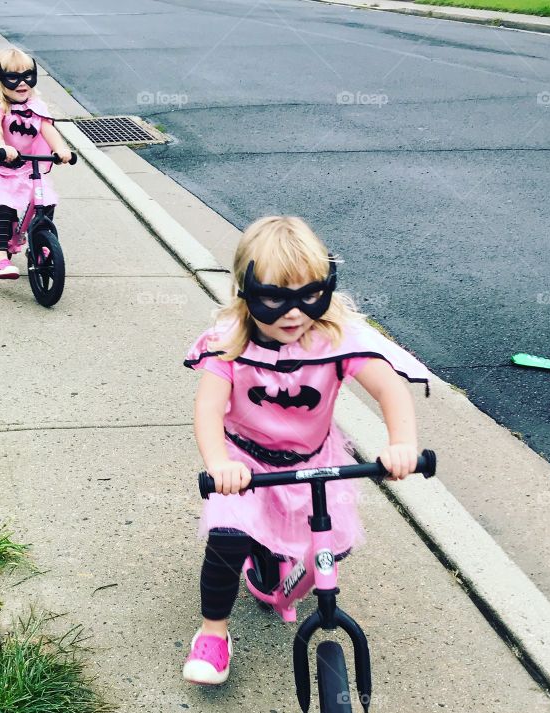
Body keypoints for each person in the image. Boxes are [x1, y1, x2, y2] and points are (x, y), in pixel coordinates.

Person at [182, 215, 431, 685]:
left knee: (329, 549)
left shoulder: (335, 340)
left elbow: (390, 390)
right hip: (245, 461)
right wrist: (219, 465)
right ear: (246, 292)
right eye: (275, 298)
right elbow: (208, 411)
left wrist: (401, 445)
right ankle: (213, 633)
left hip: (315, 460)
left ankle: (277, 573)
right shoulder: (228, 346)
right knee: (228, 537)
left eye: (309, 295)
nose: (293, 314)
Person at [0, 48, 72, 279]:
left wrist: (61, 149)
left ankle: (41, 245)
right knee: (1, 206)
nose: (22, 83)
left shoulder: (36, 107)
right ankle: (0, 260)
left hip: (25, 167)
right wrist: (2, 146)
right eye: (13, 78)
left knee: (44, 202)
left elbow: (48, 129)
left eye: (28, 76)